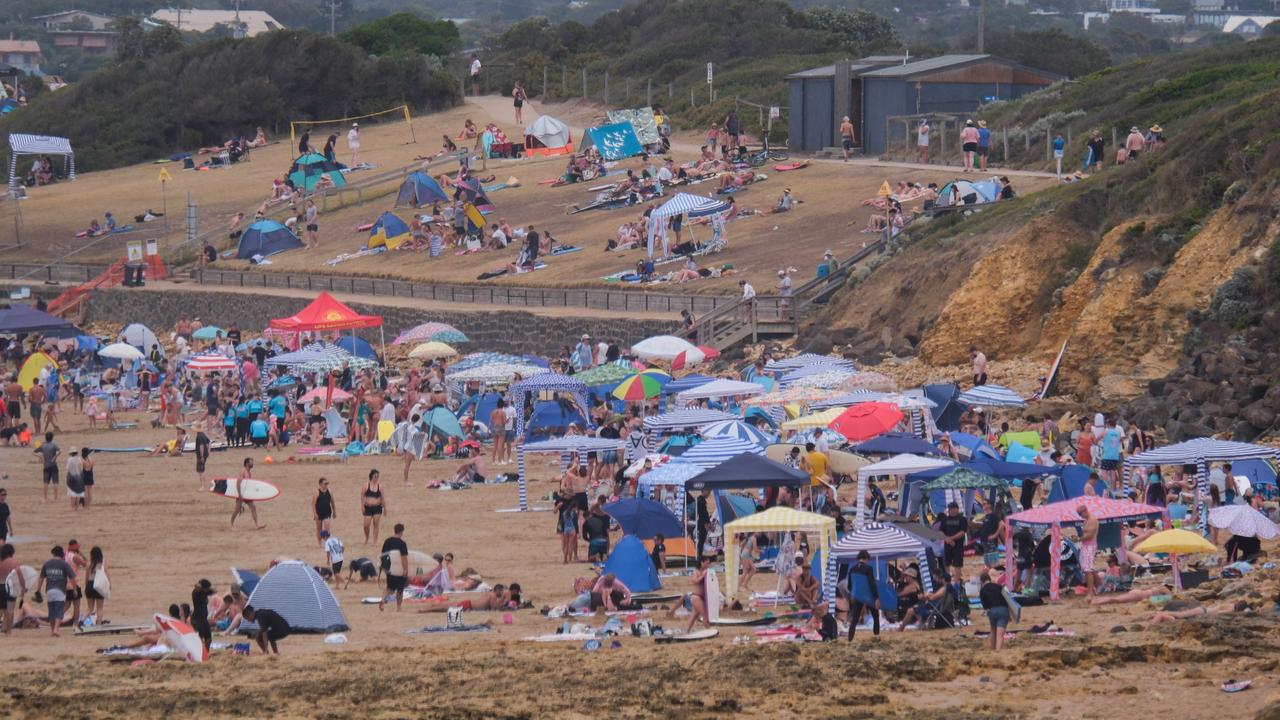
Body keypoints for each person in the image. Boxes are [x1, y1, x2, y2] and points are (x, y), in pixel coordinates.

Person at [33, 545, 76, 637]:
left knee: (51, 611)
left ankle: (53, 630)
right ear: (62, 554)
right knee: (59, 611)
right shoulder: (64, 564)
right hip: (60, 590)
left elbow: (41, 578)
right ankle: (56, 629)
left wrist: (38, 590)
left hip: (49, 591)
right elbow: (72, 578)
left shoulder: (47, 564)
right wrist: (75, 589)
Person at [844, 550, 879, 640]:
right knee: (875, 616)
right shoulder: (868, 568)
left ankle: (850, 639)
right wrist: (876, 598)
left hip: (858, 596)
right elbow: (872, 584)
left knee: (855, 618)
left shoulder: (852, 569)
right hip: (868, 595)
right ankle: (876, 636)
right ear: (866, 558)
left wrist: (854, 594)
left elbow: (849, 585)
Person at [379, 523, 409, 611]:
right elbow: (404, 557)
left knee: (389, 587)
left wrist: (384, 568)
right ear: (402, 531)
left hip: (390, 568)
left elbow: (383, 555)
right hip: (399, 569)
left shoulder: (387, 541)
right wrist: (405, 569)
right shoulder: (402, 544)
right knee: (400, 589)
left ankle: (383, 599)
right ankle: (399, 607)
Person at [978, 571, 1010, 651]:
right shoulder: (998, 586)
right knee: (1000, 634)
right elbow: (1007, 599)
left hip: (992, 611)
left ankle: (992, 650)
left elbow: (985, 607)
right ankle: (998, 651)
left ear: (982, 582)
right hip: (1003, 610)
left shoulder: (982, 590)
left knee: (993, 630)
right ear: (989, 579)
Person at [231, 457, 265, 530]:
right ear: (247, 463)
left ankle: (257, 525)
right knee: (236, 510)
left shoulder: (249, 473)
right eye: (251, 462)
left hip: (247, 494)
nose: (252, 463)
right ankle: (231, 525)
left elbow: (248, 485)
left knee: (253, 507)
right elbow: (238, 483)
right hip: (241, 494)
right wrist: (239, 495)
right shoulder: (243, 472)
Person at [940, 501, 968, 576]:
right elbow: (941, 531)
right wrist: (947, 539)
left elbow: (962, 532)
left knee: (957, 564)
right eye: (949, 509)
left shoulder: (962, 519)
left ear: (957, 509)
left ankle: (957, 581)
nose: (950, 510)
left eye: (952, 508)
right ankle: (947, 578)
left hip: (958, 545)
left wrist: (951, 539)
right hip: (947, 544)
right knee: (946, 563)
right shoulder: (945, 519)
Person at [686, 557, 712, 633]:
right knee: (705, 616)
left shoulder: (706, 572)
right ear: (701, 563)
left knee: (693, 617)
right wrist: (702, 576)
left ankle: (687, 631)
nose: (708, 565)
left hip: (700, 597)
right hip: (696, 597)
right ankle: (709, 630)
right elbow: (694, 581)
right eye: (707, 563)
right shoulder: (696, 571)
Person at [362, 469, 386, 545]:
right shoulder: (366, 485)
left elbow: (383, 498)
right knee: (366, 525)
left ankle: (375, 541)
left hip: (377, 507)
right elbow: (362, 496)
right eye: (375, 476)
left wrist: (385, 508)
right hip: (368, 507)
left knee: (376, 524)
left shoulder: (380, 486)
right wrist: (362, 506)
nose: (377, 477)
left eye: (378, 476)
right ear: (371, 476)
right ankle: (367, 538)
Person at [34, 431, 59, 502]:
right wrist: (55, 457)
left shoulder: (43, 445)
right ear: (52, 438)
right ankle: (55, 498)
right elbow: (59, 451)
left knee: (45, 482)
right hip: (53, 464)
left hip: (46, 465)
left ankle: (45, 497)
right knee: (55, 482)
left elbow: (33, 452)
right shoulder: (54, 445)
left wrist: (41, 457)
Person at [190, 578, 215, 650]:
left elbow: (214, 591)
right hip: (197, 619)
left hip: (204, 619)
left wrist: (207, 588)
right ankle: (198, 653)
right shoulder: (196, 593)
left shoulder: (204, 592)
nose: (208, 590)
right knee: (199, 638)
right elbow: (196, 586)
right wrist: (200, 586)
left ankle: (206, 652)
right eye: (207, 588)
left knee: (208, 639)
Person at [0, 543, 19, 634]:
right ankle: (9, 631)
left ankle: (4, 627)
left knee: (3, 609)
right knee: (10, 610)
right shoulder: (13, 562)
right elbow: (19, 576)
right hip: (10, 587)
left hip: (0, 586)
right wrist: (23, 587)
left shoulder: (1, 561)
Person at [314, 477, 335, 544]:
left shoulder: (329, 491)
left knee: (327, 527)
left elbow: (332, 502)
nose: (326, 485)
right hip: (319, 512)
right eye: (325, 484)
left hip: (327, 512)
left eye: (327, 483)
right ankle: (319, 542)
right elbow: (313, 504)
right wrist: (315, 513)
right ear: (320, 484)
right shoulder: (317, 492)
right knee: (319, 529)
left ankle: (327, 542)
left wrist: (334, 511)